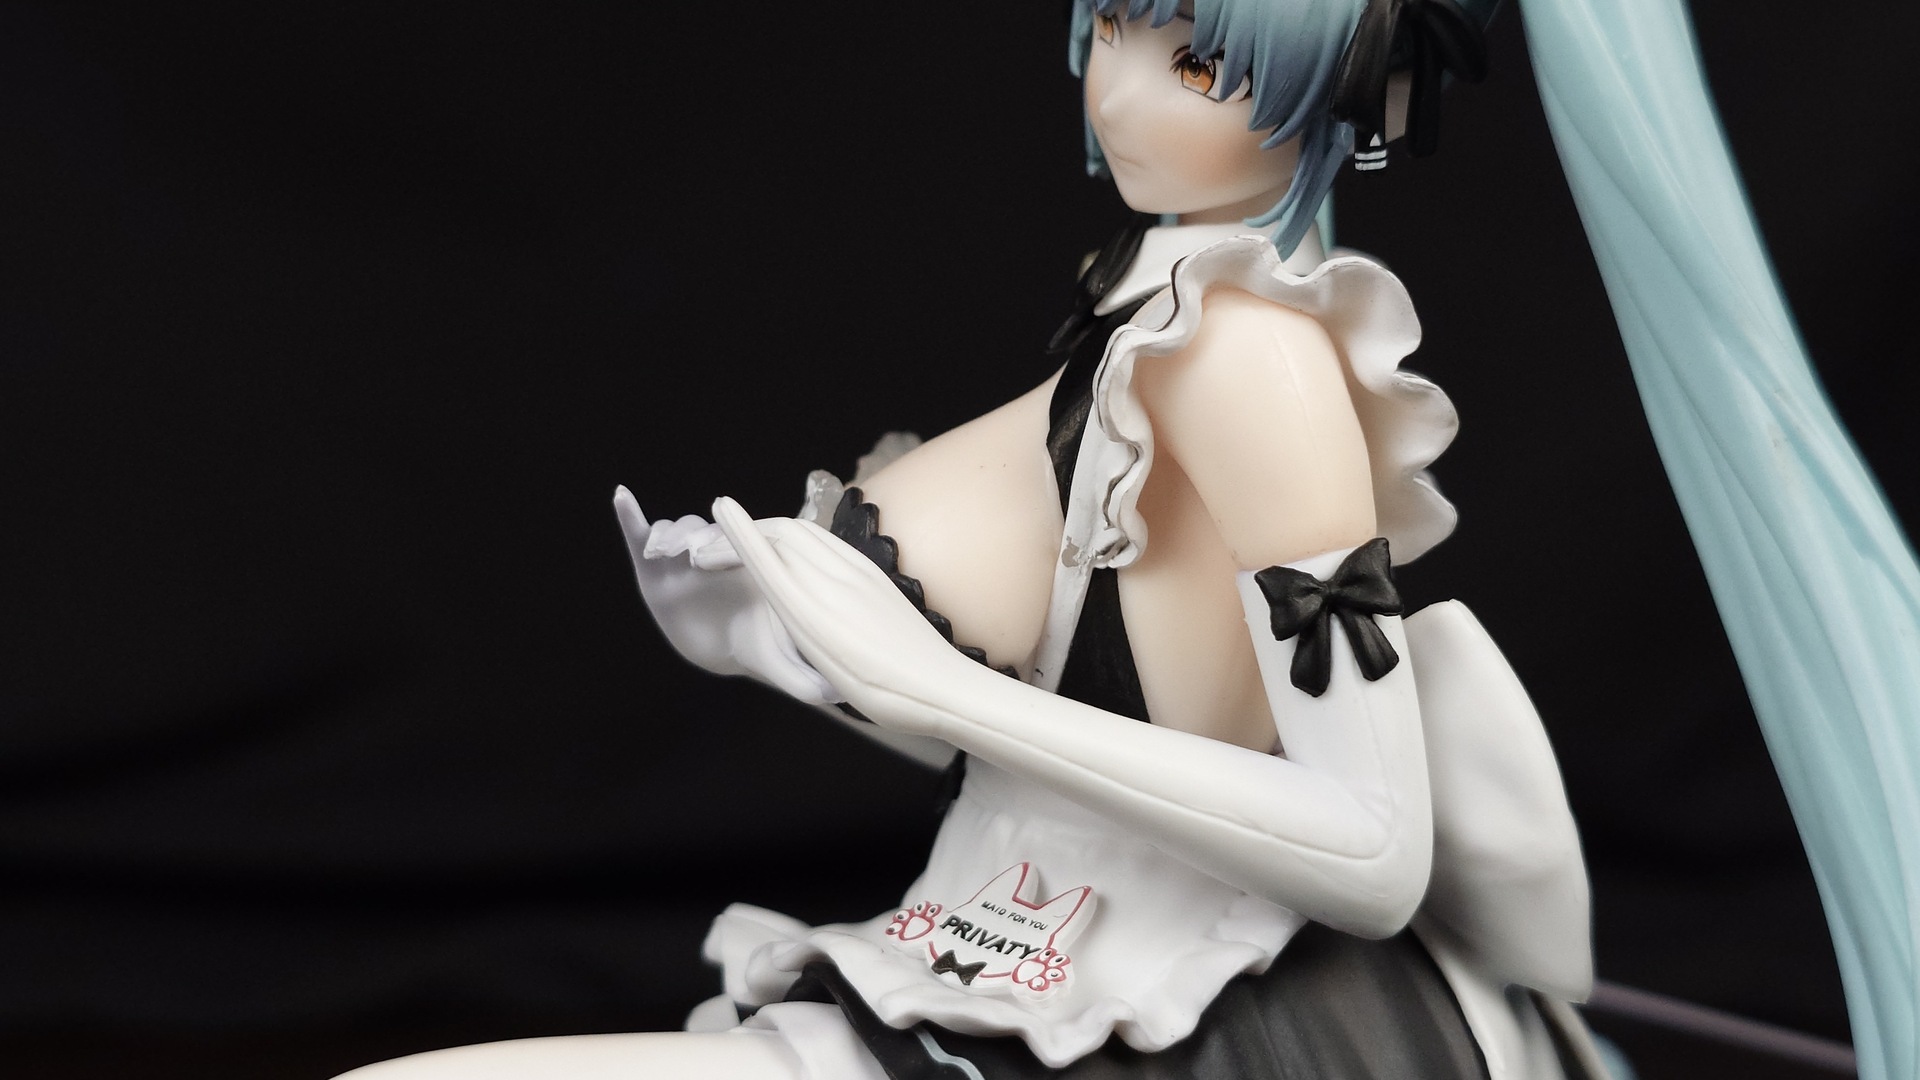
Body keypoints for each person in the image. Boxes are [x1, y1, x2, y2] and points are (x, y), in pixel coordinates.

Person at [339, 0, 1920, 1077]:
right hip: (1008, 938)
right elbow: (1105, 701)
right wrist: (788, 650)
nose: (1118, 87)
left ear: (1344, 93)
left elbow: (1374, 848)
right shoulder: (1138, 314)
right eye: (1112, 28)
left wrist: (938, 686)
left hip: (1193, 1006)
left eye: (1200, 60)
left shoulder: (1253, 359)